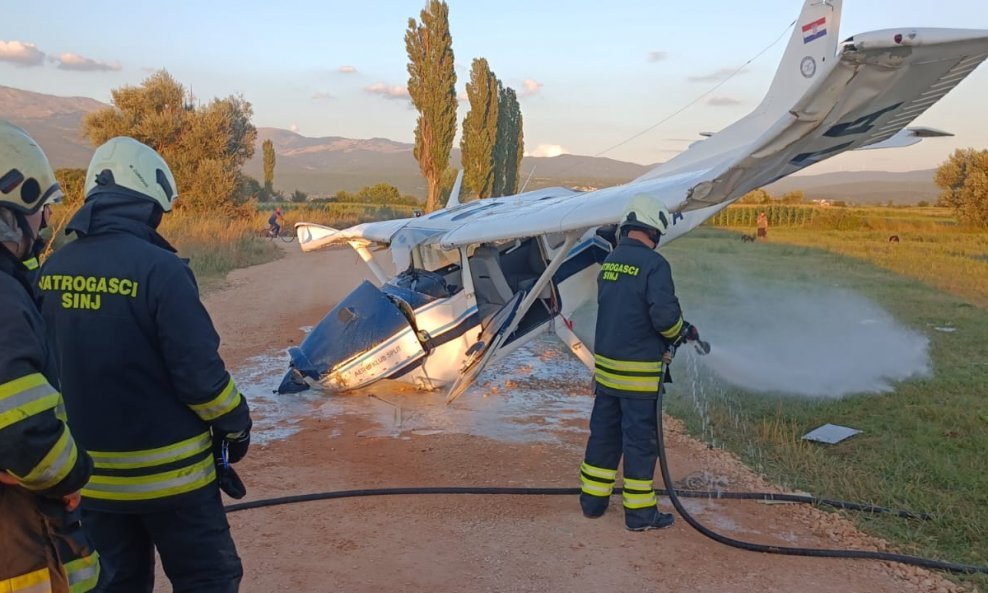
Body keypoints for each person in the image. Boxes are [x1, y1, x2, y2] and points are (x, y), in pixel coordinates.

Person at [39, 137, 253, 593]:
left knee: (117, 585)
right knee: (208, 580)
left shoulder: (50, 270)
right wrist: (238, 425)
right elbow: (202, 381)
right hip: (175, 487)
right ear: (150, 201)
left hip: (92, 487)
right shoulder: (162, 271)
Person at [0, 120, 103, 592]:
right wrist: (70, 477)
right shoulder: (4, 295)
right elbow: (26, 432)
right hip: (18, 546)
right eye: (40, 208)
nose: (45, 222)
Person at [579, 194, 700, 531]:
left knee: (603, 436)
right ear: (655, 230)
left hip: (606, 373)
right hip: (638, 378)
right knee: (639, 443)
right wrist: (680, 333)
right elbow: (663, 317)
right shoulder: (654, 264)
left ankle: (592, 503)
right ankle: (639, 513)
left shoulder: (612, 261)